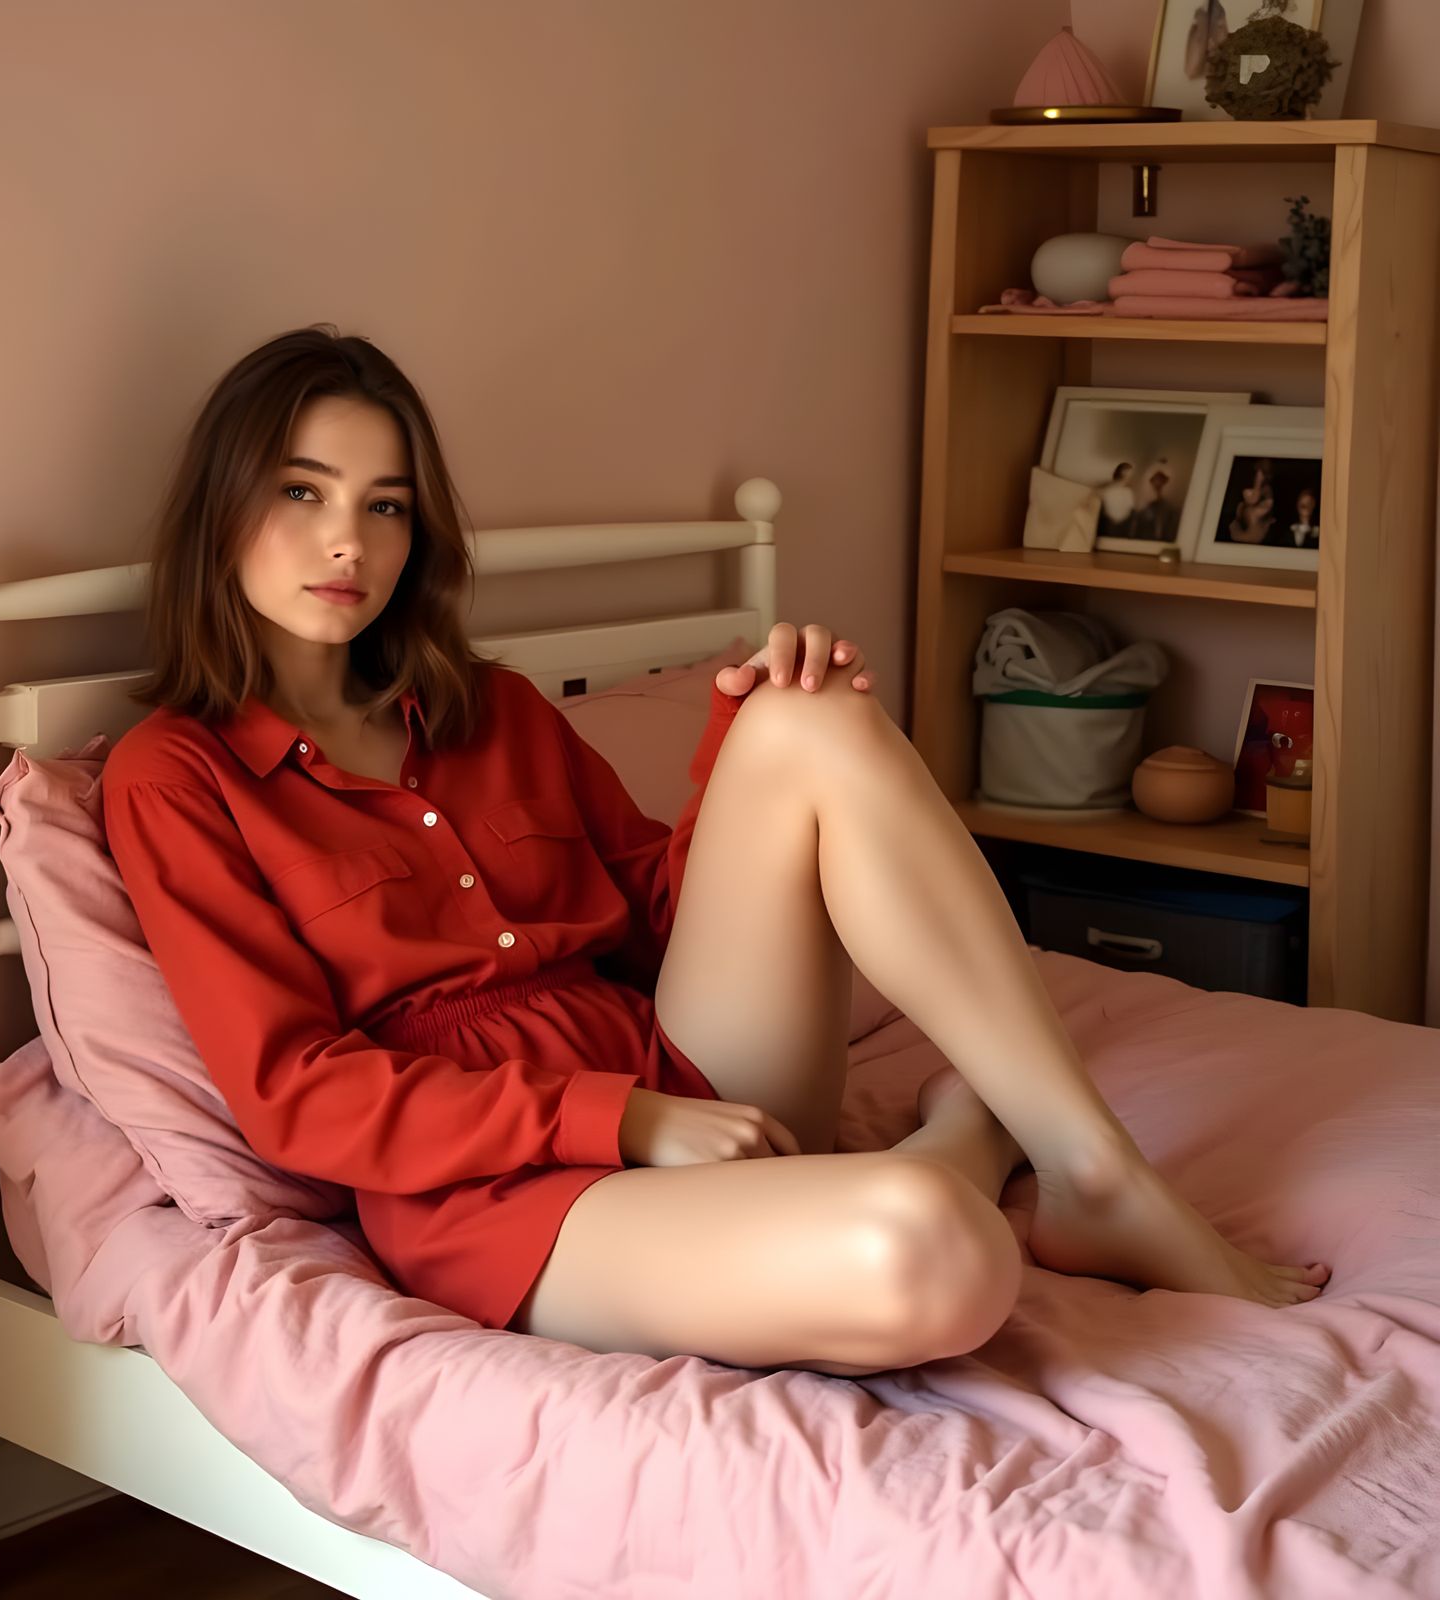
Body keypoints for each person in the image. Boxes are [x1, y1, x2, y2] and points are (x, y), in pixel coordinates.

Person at [101, 326, 1328, 1379]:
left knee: (807, 719)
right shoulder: (175, 777)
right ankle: (973, 1132)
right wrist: (620, 1121)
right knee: (929, 1253)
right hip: (501, 1193)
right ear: (227, 504)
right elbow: (297, 1094)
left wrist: (753, 743)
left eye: (385, 505)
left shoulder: (494, 708)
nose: (347, 543)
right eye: (303, 491)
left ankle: (1089, 1163)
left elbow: (658, 914)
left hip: (688, 1079)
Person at [1228, 459, 1275, 544]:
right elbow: (1252, 500)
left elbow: (1262, 503)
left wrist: (1259, 480)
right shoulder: (1246, 490)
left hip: (1254, 535)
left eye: (1264, 471)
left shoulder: (1268, 490)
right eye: (1260, 470)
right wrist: (1258, 480)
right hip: (1243, 534)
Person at [1096, 462, 1136, 537]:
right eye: (1129, 475)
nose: (1130, 478)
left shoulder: (1128, 492)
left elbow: (1130, 511)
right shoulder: (1106, 490)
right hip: (1108, 527)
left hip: (1121, 528)